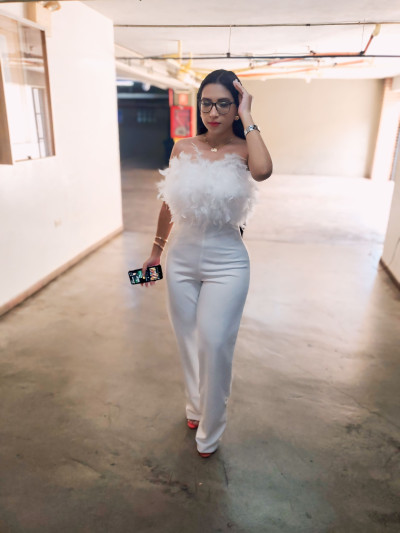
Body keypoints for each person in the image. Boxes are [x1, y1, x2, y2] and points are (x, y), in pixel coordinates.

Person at [141, 69, 273, 458]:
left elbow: (264, 171)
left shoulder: (246, 150)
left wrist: (249, 116)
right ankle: (195, 408)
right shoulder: (182, 147)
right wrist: (155, 253)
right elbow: (168, 202)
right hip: (180, 257)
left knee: (214, 342)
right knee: (187, 339)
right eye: (206, 103)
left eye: (224, 104)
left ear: (236, 107)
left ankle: (210, 432)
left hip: (227, 261)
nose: (213, 112)